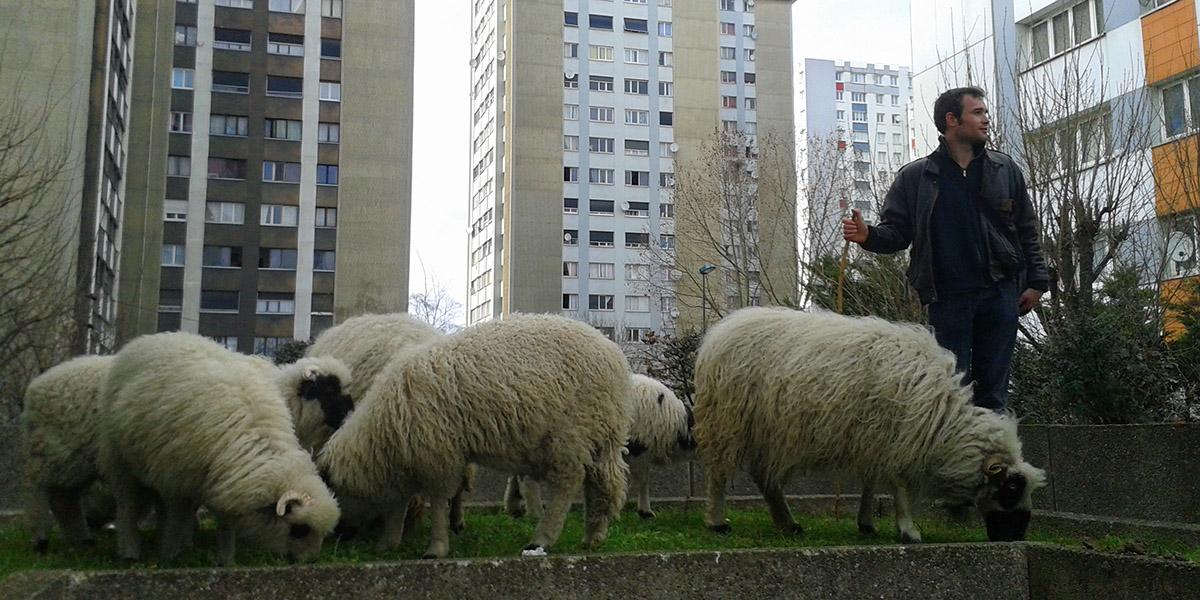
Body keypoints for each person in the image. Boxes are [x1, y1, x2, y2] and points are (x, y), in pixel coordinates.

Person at [842, 86, 1049, 411]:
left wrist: (1037, 282)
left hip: (1000, 295)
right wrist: (868, 236)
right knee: (952, 393)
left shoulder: (1004, 168)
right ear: (952, 120)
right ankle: (956, 461)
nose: (986, 120)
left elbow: (1027, 229)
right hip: (948, 299)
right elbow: (897, 234)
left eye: (985, 112)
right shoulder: (915, 177)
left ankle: (990, 462)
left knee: (994, 396)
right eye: (977, 113)